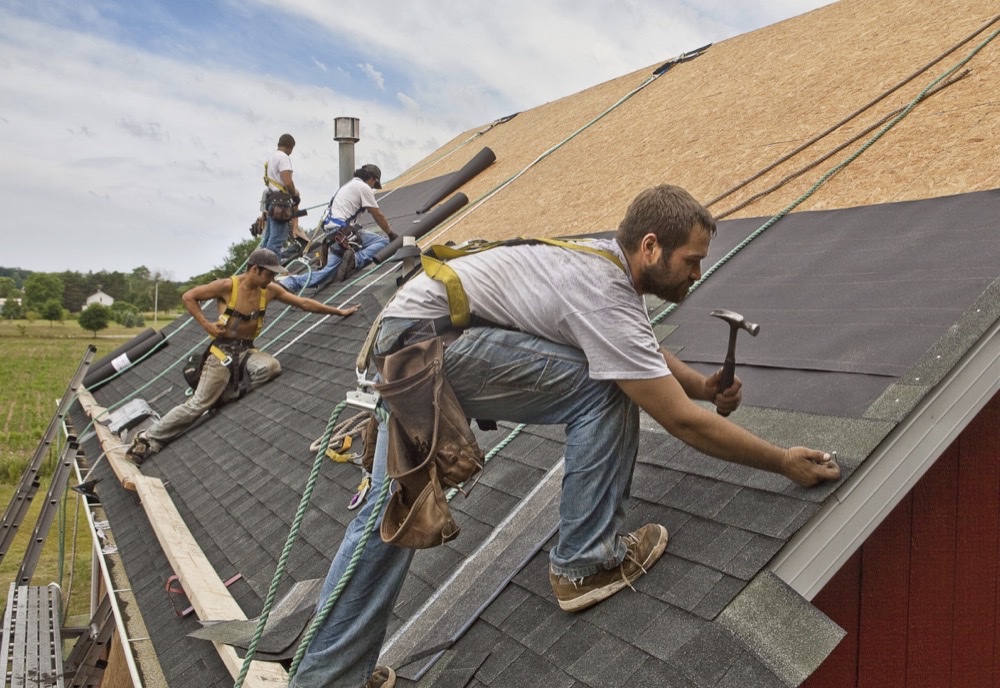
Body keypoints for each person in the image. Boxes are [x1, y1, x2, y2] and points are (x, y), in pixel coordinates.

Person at [290, 185, 841, 688]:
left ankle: (328, 676)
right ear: (651, 247)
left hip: (412, 338)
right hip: (428, 347)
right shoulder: (601, 290)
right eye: (692, 260)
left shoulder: (599, 266)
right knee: (607, 388)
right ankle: (583, 562)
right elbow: (682, 421)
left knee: (391, 513)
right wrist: (782, 460)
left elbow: (635, 342)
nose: (697, 274)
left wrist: (699, 383)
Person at [126, 248, 359, 464]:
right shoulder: (228, 286)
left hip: (246, 351)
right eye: (268, 274)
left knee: (271, 367)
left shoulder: (269, 291)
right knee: (197, 406)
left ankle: (225, 394)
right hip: (221, 354)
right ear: (255, 269)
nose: (271, 279)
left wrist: (339, 311)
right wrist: (207, 325)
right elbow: (189, 296)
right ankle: (147, 439)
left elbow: (303, 303)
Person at [279, 164, 398, 292]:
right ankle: (355, 260)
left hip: (334, 234)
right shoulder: (364, 187)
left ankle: (289, 282)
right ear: (373, 179)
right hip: (344, 232)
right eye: (374, 185)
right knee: (383, 242)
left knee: (328, 273)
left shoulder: (348, 186)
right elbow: (377, 214)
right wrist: (391, 234)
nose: (372, 188)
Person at [261, 133, 304, 256]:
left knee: (268, 239)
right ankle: (270, 272)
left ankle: (261, 266)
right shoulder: (283, 158)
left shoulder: (270, 158)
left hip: (272, 201)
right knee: (276, 240)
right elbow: (287, 182)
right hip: (280, 204)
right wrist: (295, 195)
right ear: (291, 147)